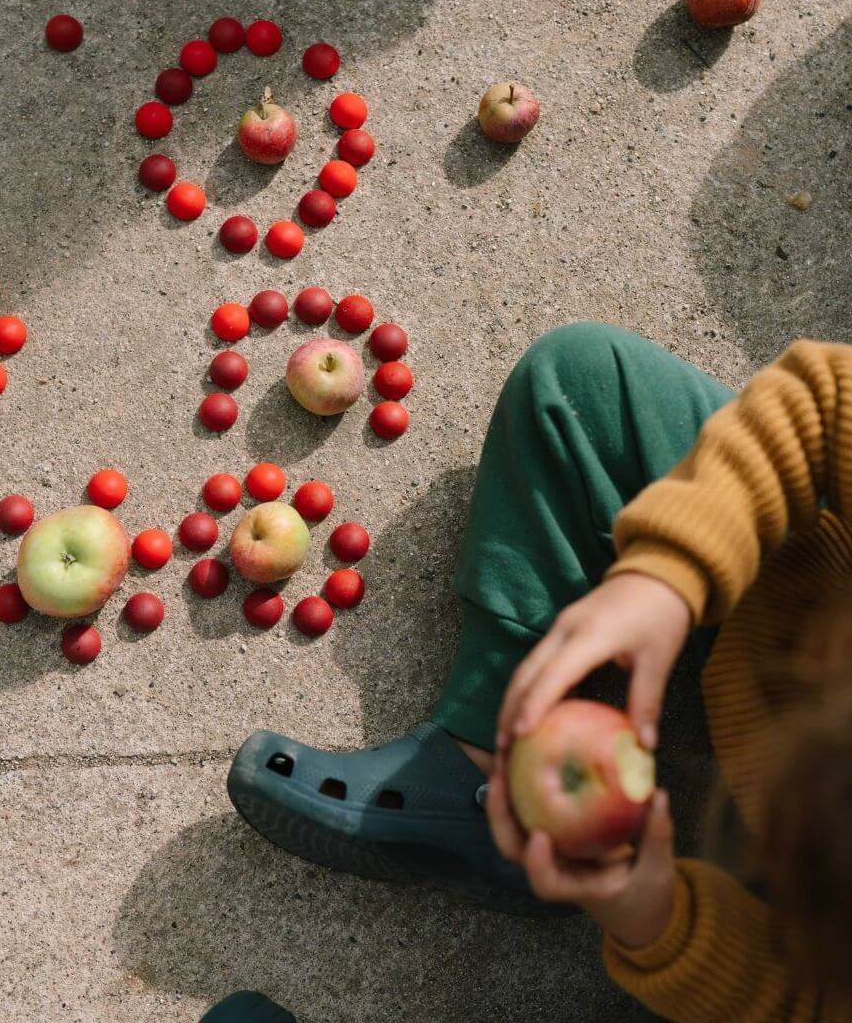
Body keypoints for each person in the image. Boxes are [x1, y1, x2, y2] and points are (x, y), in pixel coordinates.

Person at [225, 323, 852, 1020]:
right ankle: (480, 762)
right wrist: (670, 572)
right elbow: (824, 401)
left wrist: (659, 921)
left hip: (795, 936)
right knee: (578, 385)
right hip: (782, 591)